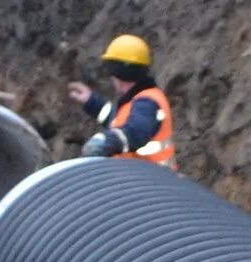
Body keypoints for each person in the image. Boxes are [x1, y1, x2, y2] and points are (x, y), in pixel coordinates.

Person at [65, 33, 176, 168]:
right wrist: (91, 101)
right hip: (139, 180)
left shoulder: (147, 103)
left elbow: (135, 132)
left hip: (151, 183)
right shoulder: (139, 99)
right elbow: (118, 121)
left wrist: (107, 141)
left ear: (119, 71)